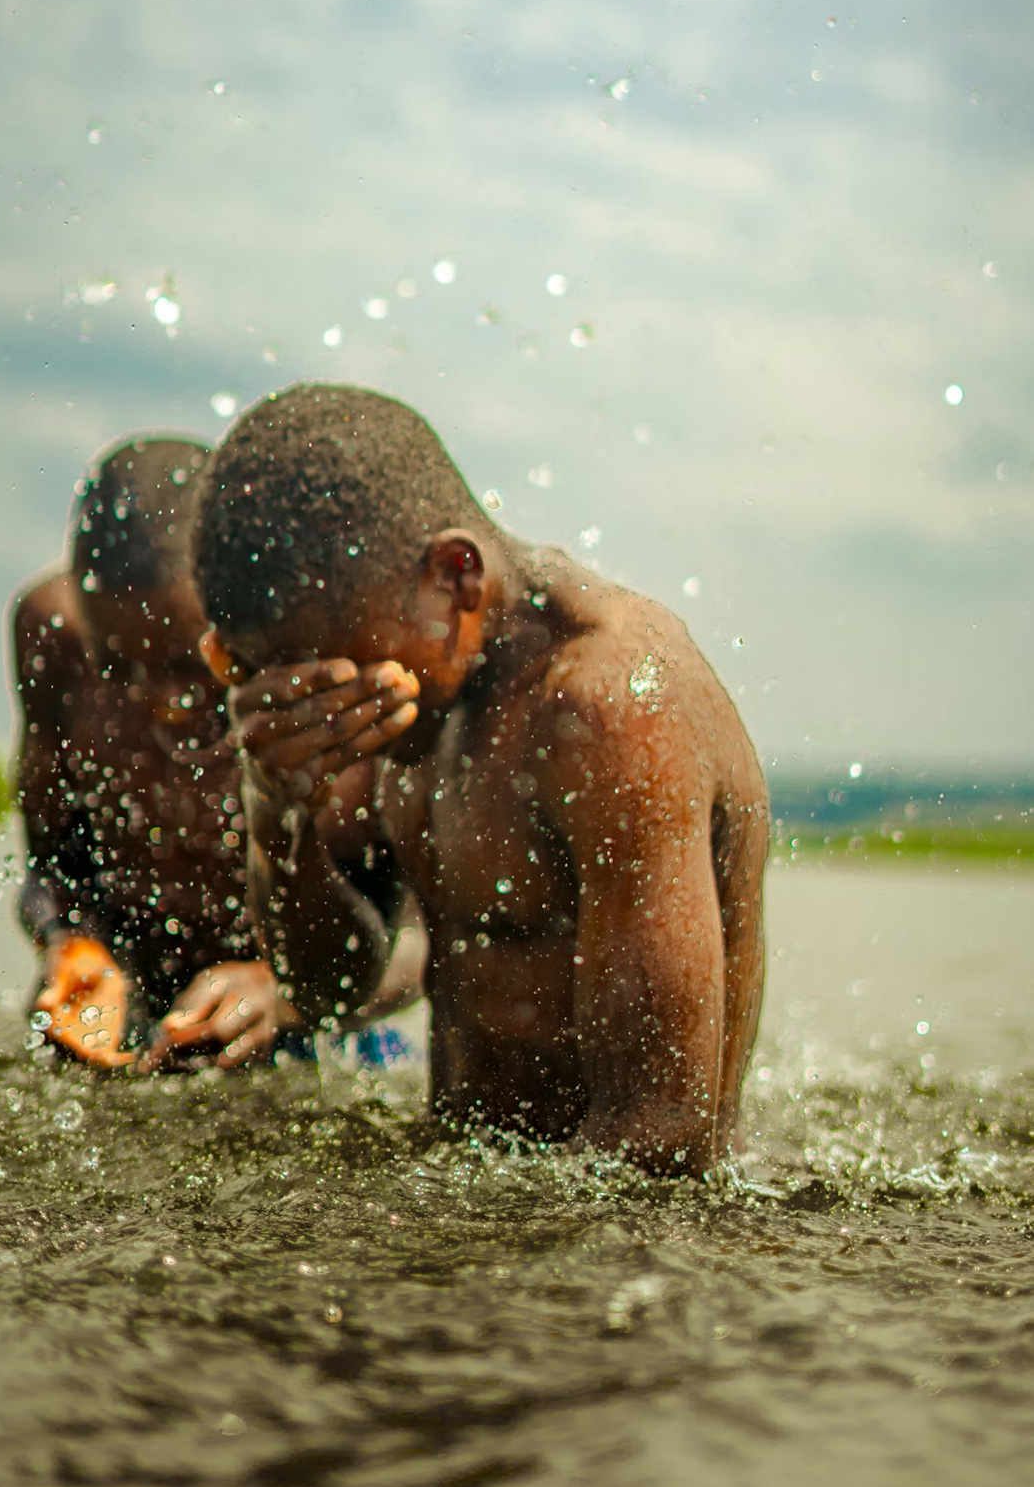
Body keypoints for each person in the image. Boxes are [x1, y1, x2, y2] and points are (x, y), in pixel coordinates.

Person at [192, 385, 768, 1172]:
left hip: (613, 1261)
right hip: (481, 1183)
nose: (324, 710)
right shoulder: (401, 691)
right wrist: (278, 813)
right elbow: (327, 991)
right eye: (288, 685)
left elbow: (661, 1139)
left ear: (457, 577)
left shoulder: (613, 707)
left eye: (338, 676)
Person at [9, 432, 423, 1072]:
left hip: (320, 1037)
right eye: (119, 667)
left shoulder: (339, 676)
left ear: (250, 612)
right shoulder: (53, 640)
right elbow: (52, 864)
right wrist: (72, 948)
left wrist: (283, 993)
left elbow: (428, 942)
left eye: (188, 666)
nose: (160, 703)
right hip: (133, 1017)